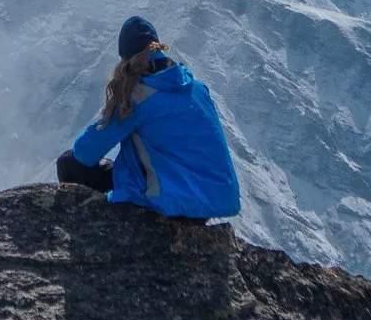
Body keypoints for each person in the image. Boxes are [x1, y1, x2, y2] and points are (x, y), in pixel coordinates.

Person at [57, 15, 240, 220]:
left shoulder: (138, 95)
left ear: (126, 59)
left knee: (68, 163)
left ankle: (82, 235)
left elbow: (84, 153)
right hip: (207, 204)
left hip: (167, 201)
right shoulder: (197, 88)